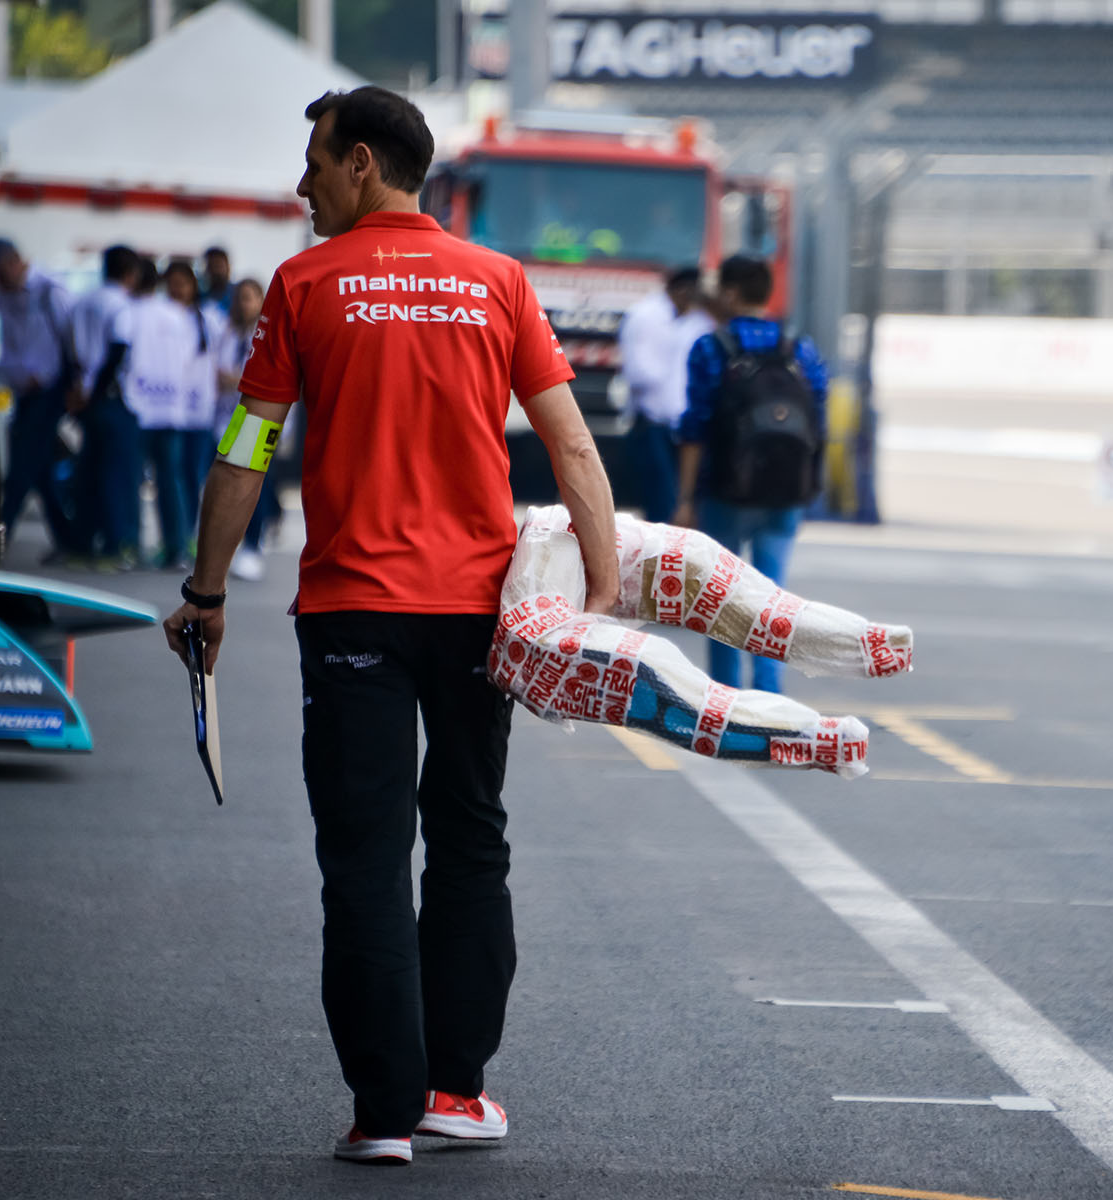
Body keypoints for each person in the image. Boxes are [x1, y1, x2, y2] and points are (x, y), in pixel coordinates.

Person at [159, 85, 618, 1166]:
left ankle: (382, 1114)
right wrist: (599, 596)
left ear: (361, 163)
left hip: (351, 613)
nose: (303, 184)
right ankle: (454, 1093)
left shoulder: (304, 284)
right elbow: (573, 446)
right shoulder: (498, 283)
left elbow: (247, 447)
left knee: (364, 859)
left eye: (315, 161)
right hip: (475, 617)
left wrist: (207, 592)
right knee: (468, 838)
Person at [674, 254, 828, 695]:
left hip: (726, 489)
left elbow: (694, 426)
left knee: (723, 598)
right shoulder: (799, 345)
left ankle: (725, 699)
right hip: (786, 490)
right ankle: (768, 696)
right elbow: (817, 414)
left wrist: (685, 498)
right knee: (772, 598)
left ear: (730, 292)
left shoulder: (712, 347)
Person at [0, 239, 79, 554]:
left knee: (23, 462)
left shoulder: (50, 291)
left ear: (15, 262)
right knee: (38, 465)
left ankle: (1, 530)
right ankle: (67, 537)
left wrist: (73, 386)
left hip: (49, 390)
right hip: (21, 390)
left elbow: (70, 341)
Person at [130, 261, 216, 568]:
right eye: (173, 283)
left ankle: (182, 542)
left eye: (184, 283)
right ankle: (168, 543)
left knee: (185, 478)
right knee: (165, 477)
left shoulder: (204, 320)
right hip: (165, 408)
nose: (178, 289)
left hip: (194, 412)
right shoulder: (161, 316)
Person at [66, 244, 143, 569]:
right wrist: (97, 391)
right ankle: (114, 546)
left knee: (88, 472)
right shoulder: (122, 304)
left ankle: (82, 544)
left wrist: (79, 390)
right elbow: (117, 351)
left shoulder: (83, 301)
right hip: (112, 398)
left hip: (83, 395)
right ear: (130, 273)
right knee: (116, 475)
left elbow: (69, 347)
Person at [617, 265, 709, 524]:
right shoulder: (647, 316)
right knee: (662, 503)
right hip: (654, 422)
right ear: (681, 290)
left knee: (682, 504)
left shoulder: (693, 320)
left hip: (682, 426)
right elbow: (639, 373)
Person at [212, 277, 276, 580]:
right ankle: (230, 542)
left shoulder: (268, 334)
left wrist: (234, 379)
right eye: (240, 297)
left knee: (254, 486)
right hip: (227, 418)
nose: (243, 304)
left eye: (250, 298)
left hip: (257, 421)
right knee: (226, 483)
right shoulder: (226, 332)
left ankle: (253, 544)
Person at [199, 246, 233, 315]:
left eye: (219, 266)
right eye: (212, 266)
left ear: (228, 267)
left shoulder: (237, 294)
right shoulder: (199, 295)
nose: (216, 271)